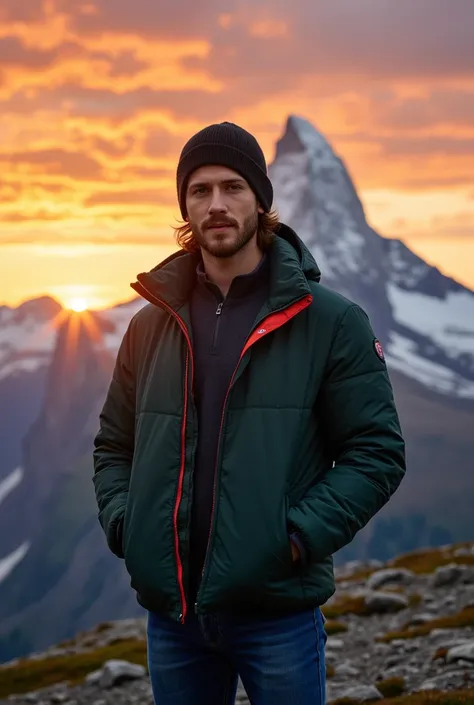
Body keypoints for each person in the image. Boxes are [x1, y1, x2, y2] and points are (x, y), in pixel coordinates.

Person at [93, 121, 406, 704]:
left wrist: (294, 537)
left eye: (233, 187)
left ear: (261, 199)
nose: (216, 205)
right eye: (200, 190)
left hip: (278, 614)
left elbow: (377, 453)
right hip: (176, 618)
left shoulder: (331, 322)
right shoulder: (149, 325)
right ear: (184, 204)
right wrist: (125, 524)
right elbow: (114, 446)